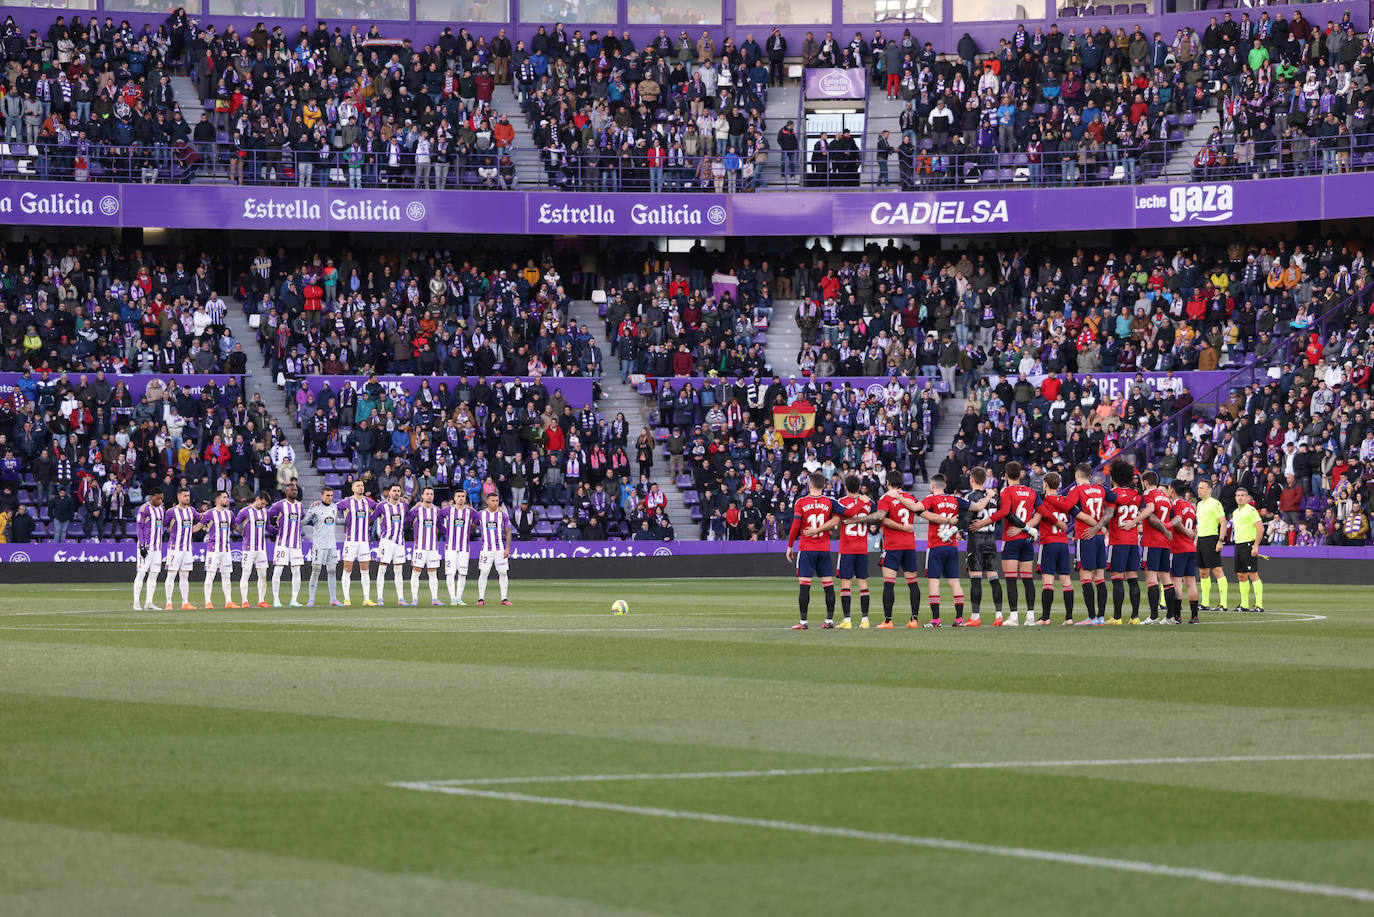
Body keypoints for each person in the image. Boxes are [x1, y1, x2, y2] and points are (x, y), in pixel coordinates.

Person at [787, 471, 870, 629]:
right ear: (824, 486)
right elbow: (850, 513)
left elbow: (795, 527)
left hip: (807, 548)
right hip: (824, 549)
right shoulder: (830, 502)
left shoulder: (801, 502)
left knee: (805, 584)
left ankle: (803, 621)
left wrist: (790, 546)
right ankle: (829, 620)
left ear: (810, 485)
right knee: (828, 584)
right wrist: (861, 502)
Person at [876, 463, 953, 628]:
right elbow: (926, 514)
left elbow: (882, 519)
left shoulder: (886, 498)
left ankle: (888, 621)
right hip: (909, 545)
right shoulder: (910, 499)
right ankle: (914, 619)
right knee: (912, 583)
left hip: (892, 545)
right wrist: (947, 520)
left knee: (889, 582)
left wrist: (901, 527)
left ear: (888, 483)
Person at [970, 461, 1041, 626]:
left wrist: (982, 523)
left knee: (1010, 579)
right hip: (1027, 539)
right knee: (1028, 579)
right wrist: (1027, 528)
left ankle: (1014, 617)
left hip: (1011, 539)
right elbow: (1040, 514)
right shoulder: (1031, 491)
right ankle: (1030, 617)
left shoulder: (1006, 491)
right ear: (1021, 474)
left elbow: (1004, 512)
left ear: (1006, 475)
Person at [1032, 472, 1086, 624]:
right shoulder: (1065, 501)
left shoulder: (1043, 502)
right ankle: (1069, 618)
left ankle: (1045, 617)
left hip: (1048, 542)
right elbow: (1078, 514)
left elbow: (1038, 518)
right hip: (1063, 544)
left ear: (1046, 484)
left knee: (1048, 582)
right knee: (1066, 582)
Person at [918, 474, 970, 627]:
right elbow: (975, 507)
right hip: (952, 545)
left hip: (935, 544)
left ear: (932, 486)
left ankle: (936, 620)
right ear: (945, 485)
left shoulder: (931, 499)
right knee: (955, 582)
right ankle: (959, 619)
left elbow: (917, 508)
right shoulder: (955, 499)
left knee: (934, 581)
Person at [1066, 463, 1114, 626]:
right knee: (1100, 577)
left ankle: (1092, 617)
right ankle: (1100, 617)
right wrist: (1100, 525)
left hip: (1085, 535)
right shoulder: (1100, 489)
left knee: (1085, 577)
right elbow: (1114, 501)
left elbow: (1066, 506)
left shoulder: (1077, 490)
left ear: (1077, 476)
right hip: (1100, 536)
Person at [1104, 460, 1144, 624]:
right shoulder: (1136, 495)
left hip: (1117, 541)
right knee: (1133, 578)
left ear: (1113, 477)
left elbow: (1108, 513)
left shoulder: (1112, 494)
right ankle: (1135, 617)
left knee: (1117, 579)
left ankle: (1117, 617)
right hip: (1133, 542)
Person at [962, 466, 1000, 626]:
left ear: (971, 480)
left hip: (976, 543)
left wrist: (956, 529)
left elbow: (966, 518)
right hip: (991, 541)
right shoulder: (993, 497)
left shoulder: (970, 496)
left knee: (975, 579)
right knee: (993, 578)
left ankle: (975, 617)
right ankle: (999, 615)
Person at [835, 474, 874, 628]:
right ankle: (865, 620)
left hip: (847, 548)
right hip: (862, 548)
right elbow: (879, 515)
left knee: (846, 583)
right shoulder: (869, 502)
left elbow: (846, 515)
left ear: (845, 488)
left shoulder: (842, 502)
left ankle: (847, 620)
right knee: (863, 583)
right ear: (859, 487)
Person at [1139, 470, 1175, 624]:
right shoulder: (1166, 497)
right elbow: (1173, 518)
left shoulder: (1148, 494)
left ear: (1145, 482)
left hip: (1151, 540)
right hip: (1165, 542)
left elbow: (1150, 513)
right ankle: (1170, 616)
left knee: (1151, 578)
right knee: (1166, 578)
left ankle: (1153, 616)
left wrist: (1135, 521)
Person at [267, 482, 306, 607]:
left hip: (296, 544)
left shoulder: (300, 506)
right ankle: (276, 599)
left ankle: (294, 600)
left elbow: (306, 519)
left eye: (296, 490)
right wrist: (273, 530)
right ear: (286, 491)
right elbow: (266, 516)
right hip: (282, 543)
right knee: (278, 570)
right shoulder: (279, 505)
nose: (295, 492)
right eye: (292, 490)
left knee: (296, 571)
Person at [339, 478, 377, 606]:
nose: (361, 487)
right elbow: (333, 507)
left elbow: (381, 508)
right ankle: (346, 598)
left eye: (362, 485)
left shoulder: (368, 502)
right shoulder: (347, 502)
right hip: (351, 541)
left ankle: (366, 599)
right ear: (352, 488)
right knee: (347, 569)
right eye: (358, 486)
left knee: (365, 569)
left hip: (364, 541)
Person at [303, 485, 342, 607]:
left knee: (332, 571)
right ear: (322, 496)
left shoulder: (335, 507)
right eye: (327, 495)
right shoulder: (315, 508)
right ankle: (311, 599)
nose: (330, 498)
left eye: (331, 496)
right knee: (316, 570)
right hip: (319, 545)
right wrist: (309, 509)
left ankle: (333, 599)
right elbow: (304, 522)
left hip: (332, 545)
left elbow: (336, 521)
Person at [371, 484, 409, 606]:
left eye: (398, 491)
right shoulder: (382, 506)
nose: (396, 493)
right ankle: (380, 598)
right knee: (382, 569)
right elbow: (372, 518)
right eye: (394, 491)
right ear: (389, 493)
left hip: (399, 542)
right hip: (386, 541)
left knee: (398, 570)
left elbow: (408, 519)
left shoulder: (404, 506)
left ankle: (401, 598)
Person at [1195, 478, 1229, 613]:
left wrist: (1220, 540)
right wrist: (1196, 539)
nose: (1199, 490)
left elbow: (1223, 522)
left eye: (1202, 488)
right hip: (1201, 539)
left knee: (1217, 570)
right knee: (1203, 572)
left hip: (1211, 539)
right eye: (1198, 488)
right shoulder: (1199, 504)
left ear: (1210, 490)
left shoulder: (1215, 504)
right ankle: (1205, 603)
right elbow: (1200, 525)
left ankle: (1223, 604)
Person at [1169, 480, 1200, 623]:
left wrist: (1186, 533)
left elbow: (1178, 521)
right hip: (1190, 548)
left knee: (1176, 582)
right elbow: (1194, 529)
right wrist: (1190, 534)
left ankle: (1177, 616)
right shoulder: (1190, 506)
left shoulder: (1175, 504)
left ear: (1173, 490)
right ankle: (1195, 616)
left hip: (1178, 548)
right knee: (1191, 583)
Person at [199, 490, 237, 608]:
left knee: (227, 576)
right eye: (224, 497)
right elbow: (199, 526)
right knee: (210, 576)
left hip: (226, 549)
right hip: (213, 549)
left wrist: (245, 533)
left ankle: (229, 601)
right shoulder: (210, 514)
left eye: (227, 497)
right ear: (218, 500)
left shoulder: (230, 514)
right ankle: (208, 602)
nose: (227, 499)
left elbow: (235, 526)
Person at [163, 487, 198, 611]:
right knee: (171, 574)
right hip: (175, 548)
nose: (187, 498)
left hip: (188, 549)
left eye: (188, 495)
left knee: (185, 575)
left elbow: (200, 518)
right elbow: (165, 525)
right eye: (184, 496)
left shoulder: (191, 511)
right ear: (179, 497)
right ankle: (168, 602)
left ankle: (185, 602)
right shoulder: (171, 512)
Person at [1231, 486, 1265, 613]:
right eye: (1238, 495)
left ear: (1247, 498)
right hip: (1238, 544)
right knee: (1241, 575)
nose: (1240, 497)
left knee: (1253, 574)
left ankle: (1259, 605)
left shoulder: (1251, 511)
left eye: (1242, 495)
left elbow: (1260, 528)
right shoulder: (1235, 512)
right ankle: (1244, 604)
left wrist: (1255, 545)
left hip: (1248, 545)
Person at [234, 491, 272, 608]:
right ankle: (244, 601)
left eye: (265, 504)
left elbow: (268, 526)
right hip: (248, 548)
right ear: (257, 499)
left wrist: (278, 530)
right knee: (246, 574)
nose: (263, 506)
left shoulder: (265, 512)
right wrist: (242, 533)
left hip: (261, 548)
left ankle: (261, 601)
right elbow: (235, 523)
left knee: (263, 575)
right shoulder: (245, 511)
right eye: (262, 503)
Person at [407, 486, 443, 607]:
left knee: (433, 573)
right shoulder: (417, 510)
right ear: (422, 496)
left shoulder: (437, 510)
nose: (429, 496)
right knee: (416, 572)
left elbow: (440, 527)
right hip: (420, 547)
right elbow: (407, 521)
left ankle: (435, 598)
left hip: (433, 547)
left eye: (431, 494)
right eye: (427, 494)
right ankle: (414, 598)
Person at [475, 492, 513, 606]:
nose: (495, 503)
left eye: (497, 501)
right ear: (487, 501)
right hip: (486, 549)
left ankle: (504, 598)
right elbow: (472, 525)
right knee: (484, 572)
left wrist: (508, 548)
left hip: (500, 549)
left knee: (502, 572)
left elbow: (508, 532)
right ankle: (481, 598)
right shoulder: (480, 514)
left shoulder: (503, 515)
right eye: (493, 501)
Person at [132, 488, 165, 611]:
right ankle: (136, 602)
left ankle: (149, 602)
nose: (160, 500)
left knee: (154, 574)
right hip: (146, 547)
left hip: (157, 548)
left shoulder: (162, 509)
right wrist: (141, 545)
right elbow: (139, 527)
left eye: (161, 498)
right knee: (141, 573)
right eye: (157, 498)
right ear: (151, 497)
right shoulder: (144, 509)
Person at [442, 491, 476, 606]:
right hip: (450, 547)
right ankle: (452, 598)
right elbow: (435, 516)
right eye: (458, 496)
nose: (461, 498)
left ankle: (459, 598)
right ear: (454, 498)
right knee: (450, 573)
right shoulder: (448, 510)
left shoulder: (470, 511)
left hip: (464, 548)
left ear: (465, 498)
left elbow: (480, 517)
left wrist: (472, 527)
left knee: (462, 573)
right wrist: (444, 531)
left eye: (463, 496)